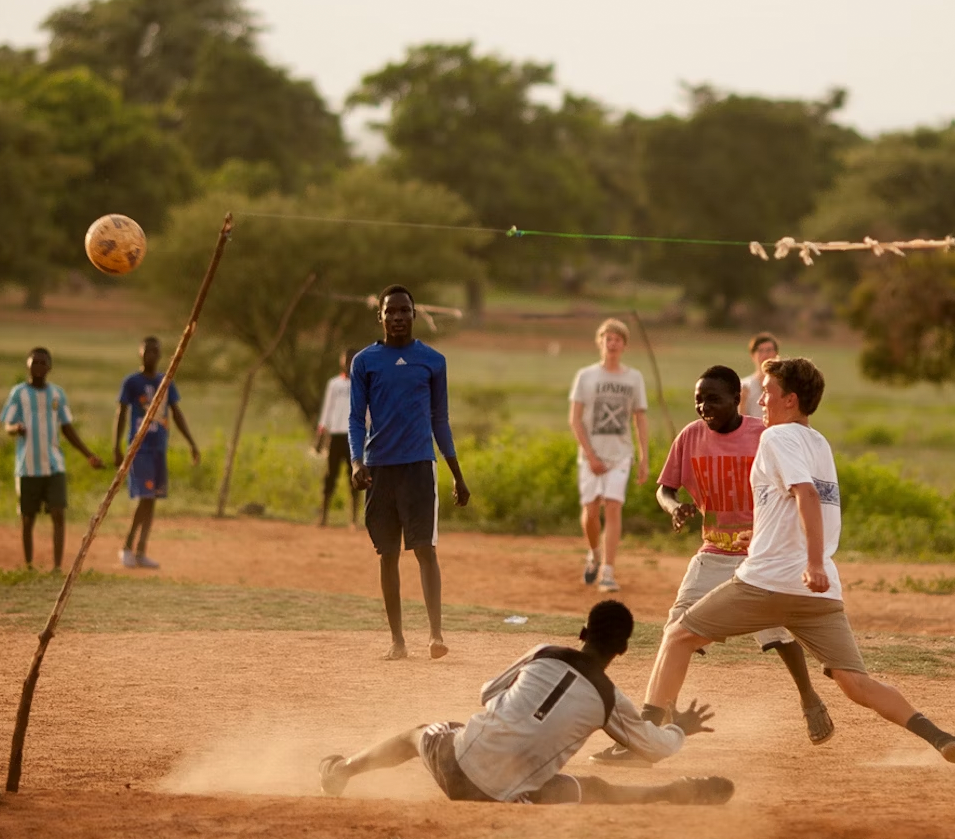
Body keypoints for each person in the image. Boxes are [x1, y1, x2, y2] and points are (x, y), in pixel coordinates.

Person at [639, 357, 955, 773]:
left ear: (790, 400)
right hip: (819, 590)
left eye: (768, 392)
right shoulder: (818, 443)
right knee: (856, 683)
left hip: (770, 581)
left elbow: (806, 497)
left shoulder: (775, 438)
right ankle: (943, 739)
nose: (760, 399)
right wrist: (763, 539)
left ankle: (642, 740)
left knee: (678, 634)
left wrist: (810, 561)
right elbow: (794, 506)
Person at [592, 365, 832, 768]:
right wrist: (674, 507)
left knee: (776, 633)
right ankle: (646, 734)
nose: (704, 407)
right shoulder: (691, 436)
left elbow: (797, 489)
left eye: (714, 399)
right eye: (699, 400)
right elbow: (665, 488)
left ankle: (809, 697)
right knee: (675, 632)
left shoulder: (764, 434)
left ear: (738, 399)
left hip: (761, 555)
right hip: (714, 551)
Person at [318, 600, 732, 806]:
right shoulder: (610, 700)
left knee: (416, 735)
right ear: (623, 650)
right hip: (507, 798)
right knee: (588, 789)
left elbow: (487, 694)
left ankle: (342, 771)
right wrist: (681, 728)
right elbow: (655, 748)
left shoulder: (544, 652)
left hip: (456, 765)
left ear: (583, 632)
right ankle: (672, 794)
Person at [350, 286, 471, 660]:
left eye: (405, 311)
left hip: (420, 466)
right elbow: (356, 419)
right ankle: (398, 641)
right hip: (379, 469)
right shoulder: (365, 362)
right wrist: (357, 462)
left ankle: (435, 635)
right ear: (381, 317)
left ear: (414, 315)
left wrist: (456, 472)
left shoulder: (433, 361)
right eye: (391, 311)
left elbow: (440, 420)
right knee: (387, 554)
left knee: (425, 549)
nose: (398, 317)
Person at [1, 347, 104, 571]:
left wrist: (89, 455)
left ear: (50, 367)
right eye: (34, 362)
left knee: (58, 513)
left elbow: (67, 428)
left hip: (54, 464)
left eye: (42, 363)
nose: (38, 366)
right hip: (27, 466)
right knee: (28, 518)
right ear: (27, 365)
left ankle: (57, 567)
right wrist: (15, 428)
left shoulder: (57, 394)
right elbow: (7, 424)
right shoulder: (18, 393)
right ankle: (28, 565)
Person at [569, 318, 649, 593]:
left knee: (613, 507)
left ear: (624, 345)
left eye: (617, 339)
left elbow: (639, 418)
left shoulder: (633, 378)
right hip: (591, 454)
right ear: (600, 342)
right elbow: (575, 419)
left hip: (621, 454)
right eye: (608, 338)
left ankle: (608, 572)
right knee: (591, 511)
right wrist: (590, 455)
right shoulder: (586, 376)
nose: (612, 343)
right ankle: (594, 553)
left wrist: (643, 457)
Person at [114, 336, 200, 569]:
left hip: (159, 446)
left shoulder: (166, 381)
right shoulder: (131, 382)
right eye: (147, 351)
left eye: (155, 351)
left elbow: (176, 412)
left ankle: (141, 551)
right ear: (139, 353)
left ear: (160, 355)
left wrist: (191, 442)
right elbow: (121, 413)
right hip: (139, 447)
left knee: (152, 500)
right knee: (145, 497)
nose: (151, 355)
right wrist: (117, 446)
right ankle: (126, 547)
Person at [313, 348, 362, 528]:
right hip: (335, 435)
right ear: (341, 362)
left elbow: (368, 412)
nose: (348, 363)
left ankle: (353, 519)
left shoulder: (362, 384)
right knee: (330, 476)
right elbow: (327, 409)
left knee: (355, 477)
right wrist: (321, 435)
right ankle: (323, 516)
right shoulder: (334, 384)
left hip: (354, 436)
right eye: (346, 360)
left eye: (352, 360)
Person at [739, 332, 779, 418]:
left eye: (769, 350)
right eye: (760, 351)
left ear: (776, 354)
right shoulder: (744, 386)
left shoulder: (783, 384)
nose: (765, 355)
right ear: (752, 355)